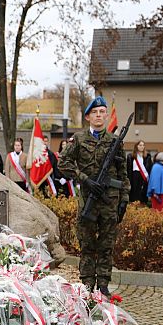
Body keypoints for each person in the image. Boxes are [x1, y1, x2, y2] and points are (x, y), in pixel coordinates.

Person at [58, 96, 130, 298]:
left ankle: (104, 283)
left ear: (106, 115)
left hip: (109, 201)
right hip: (88, 200)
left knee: (107, 244)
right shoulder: (79, 140)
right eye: (94, 113)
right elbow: (63, 164)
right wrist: (84, 179)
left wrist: (124, 199)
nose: (99, 116)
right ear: (88, 117)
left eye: (102, 112)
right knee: (87, 244)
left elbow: (123, 174)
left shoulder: (115, 142)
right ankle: (88, 283)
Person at [126, 140, 152, 204]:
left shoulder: (147, 156)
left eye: (143, 145)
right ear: (136, 146)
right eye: (140, 145)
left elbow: (149, 168)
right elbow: (128, 168)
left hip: (143, 176)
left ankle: (142, 204)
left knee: (142, 191)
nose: (142, 146)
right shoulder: (131, 156)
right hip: (134, 175)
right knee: (134, 192)